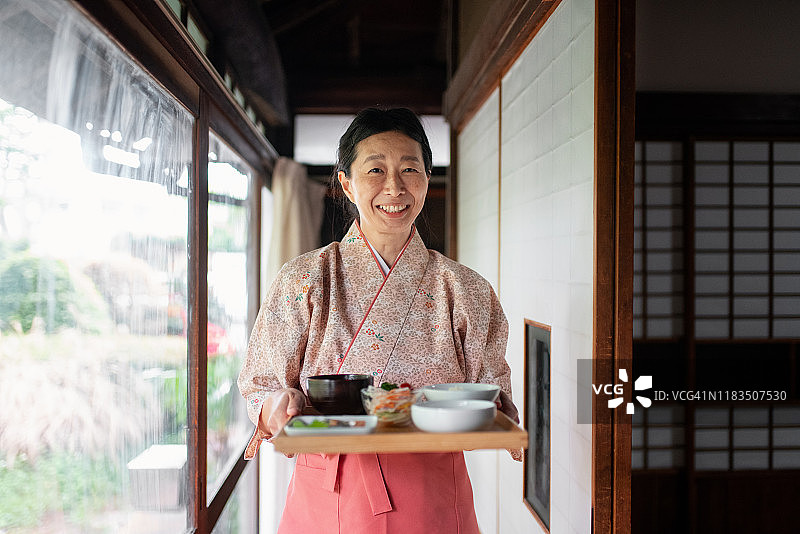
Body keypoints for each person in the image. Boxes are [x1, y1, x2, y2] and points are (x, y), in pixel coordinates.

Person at [238, 107, 519, 533]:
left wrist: (500, 409)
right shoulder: (305, 279)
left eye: (410, 169)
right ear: (347, 183)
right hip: (329, 489)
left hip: (431, 489)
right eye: (375, 170)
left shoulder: (466, 290)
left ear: (427, 179)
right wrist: (277, 406)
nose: (394, 187)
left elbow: (491, 396)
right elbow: (262, 386)